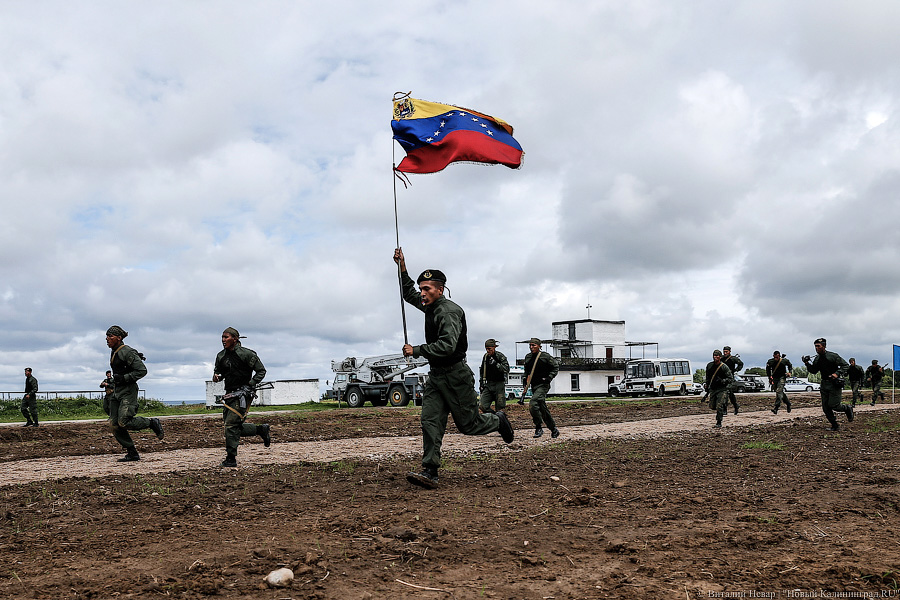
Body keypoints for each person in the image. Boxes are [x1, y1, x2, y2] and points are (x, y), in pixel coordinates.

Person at [393, 248, 514, 490]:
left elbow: (447, 346)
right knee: (430, 421)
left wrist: (416, 350)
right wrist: (402, 266)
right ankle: (430, 470)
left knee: (469, 426)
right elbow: (408, 294)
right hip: (437, 376)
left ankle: (498, 420)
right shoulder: (430, 305)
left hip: (456, 375)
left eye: (427, 289)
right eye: (421, 288)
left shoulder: (448, 311)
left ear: (440, 289)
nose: (422, 293)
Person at [213, 327, 271, 468]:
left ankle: (231, 459)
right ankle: (260, 430)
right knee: (233, 426)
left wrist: (250, 384)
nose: (223, 340)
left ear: (235, 339)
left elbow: (261, 371)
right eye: (222, 337)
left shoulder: (247, 354)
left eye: (226, 337)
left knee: (231, 426)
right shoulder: (221, 356)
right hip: (229, 395)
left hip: (244, 395)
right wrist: (216, 377)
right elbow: (217, 373)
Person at [105, 326, 164, 461]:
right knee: (114, 424)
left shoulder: (126, 351)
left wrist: (124, 378)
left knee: (124, 422)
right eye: (106, 336)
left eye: (110, 336)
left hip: (128, 391)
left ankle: (151, 423)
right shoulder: (115, 351)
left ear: (119, 338)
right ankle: (132, 452)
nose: (107, 339)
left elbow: (142, 370)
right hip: (117, 391)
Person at [803, 338, 852, 431]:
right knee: (825, 408)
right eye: (815, 346)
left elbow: (845, 365)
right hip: (824, 383)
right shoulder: (817, 358)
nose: (816, 348)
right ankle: (835, 425)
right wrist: (807, 363)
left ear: (824, 346)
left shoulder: (833, 356)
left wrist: (837, 373)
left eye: (818, 346)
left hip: (834, 384)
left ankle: (847, 408)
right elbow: (813, 371)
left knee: (834, 405)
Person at [523, 338, 560, 438]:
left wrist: (549, 377)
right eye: (530, 345)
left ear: (539, 346)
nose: (531, 347)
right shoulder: (528, 357)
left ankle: (538, 427)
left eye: (534, 345)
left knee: (533, 404)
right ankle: (553, 429)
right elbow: (526, 371)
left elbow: (555, 367)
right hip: (534, 385)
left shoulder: (545, 356)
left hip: (543, 385)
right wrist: (524, 380)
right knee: (542, 408)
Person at [479, 339, 510, 414]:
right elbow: (482, 370)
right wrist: (481, 383)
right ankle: (494, 417)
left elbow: (506, 369)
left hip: (499, 384)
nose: (488, 351)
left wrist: (496, 364)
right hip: (489, 384)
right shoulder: (486, 357)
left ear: (494, 347)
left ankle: (499, 420)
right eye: (486, 349)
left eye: (489, 349)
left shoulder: (500, 356)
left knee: (500, 407)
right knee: (482, 405)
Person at [705, 349, 734, 428]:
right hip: (713, 389)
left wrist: (723, 381)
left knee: (719, 406)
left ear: (720, 357)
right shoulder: (709, 365)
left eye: (717, 356)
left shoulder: (724, 367)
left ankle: (719, 422)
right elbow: (708, 376)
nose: (715, 357)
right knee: (712, 406)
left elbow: (730, 378)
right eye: (714, 355)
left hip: (722, 389)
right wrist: (707, 385)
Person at [722, 346, 743, 415]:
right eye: (724, 351)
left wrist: (736, 370)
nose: (725, 353)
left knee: (727, 392)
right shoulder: (721, 358)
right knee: (728, 393)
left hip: (730, 378)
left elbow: (740, 364)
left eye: (726, 352)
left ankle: (725, 409)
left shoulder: (733, 359)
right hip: (723, 378)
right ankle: (735, 405)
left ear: (729, 351)